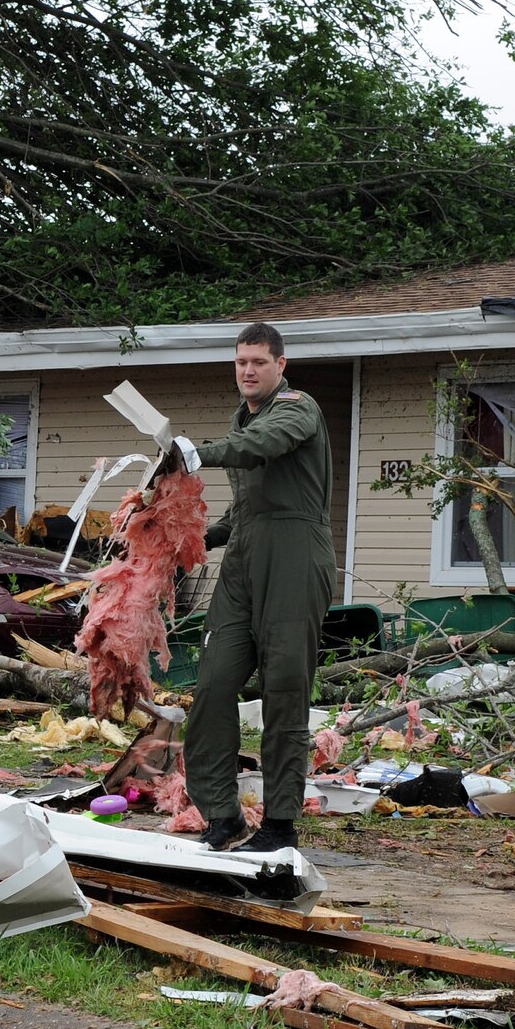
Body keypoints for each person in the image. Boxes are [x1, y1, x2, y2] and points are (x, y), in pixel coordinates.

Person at [168, 322, 335, 851]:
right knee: (214, 684)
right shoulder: (244, 417)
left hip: (294, 558)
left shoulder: (295, 408)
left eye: (258, 362)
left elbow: (262, 446)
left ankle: (281, 823)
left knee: (284, 690)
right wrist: (190, 539)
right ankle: (222, 815)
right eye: (241, 361)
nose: (247, 370)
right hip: (243, 563)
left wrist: (202, 454)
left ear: (280, 365)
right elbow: (243, 512)